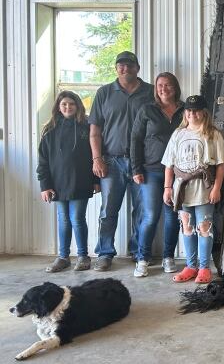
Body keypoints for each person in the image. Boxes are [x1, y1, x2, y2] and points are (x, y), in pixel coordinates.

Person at [89, 51, 155, 271]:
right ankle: (105, 253)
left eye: (129, 65)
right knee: (108, 210)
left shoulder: (151, 92)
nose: (124, 68)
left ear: (137, 68)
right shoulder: (104, 93)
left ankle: (138, 252)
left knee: (142, 210)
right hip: (111, 162)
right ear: (116, 68)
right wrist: (97, 159)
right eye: (120, 65)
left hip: (143, 163)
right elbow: (95, 131)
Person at [162, 95, 224, 284]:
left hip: (204, 187)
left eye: (196, 110)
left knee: (204, 227)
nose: (192, 114)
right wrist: (167, 188)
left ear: (204, 112)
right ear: (185, 113)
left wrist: (216, 188)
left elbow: (221, 164)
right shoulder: (178, 134)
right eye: (189, 110)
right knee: (187, 227)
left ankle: (204, 268)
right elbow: (168, 164)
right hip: (182, 188)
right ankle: (191, 266)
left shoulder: (213, 134)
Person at [129, 72, 185, 277]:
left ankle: (168, 257)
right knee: (150, 216)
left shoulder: (186, 109)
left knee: (172, 217)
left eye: (168, 85)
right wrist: (136, 169)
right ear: (156, 89)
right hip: (151, 171)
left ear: (175, 87)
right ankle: (142, 259)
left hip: (179, 172)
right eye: (160, 85)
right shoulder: (147, 110)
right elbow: (135, 140)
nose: (164, 88)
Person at [37, 91, 99, 273]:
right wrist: (45, 185)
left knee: (77, 218)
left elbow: (95, 156)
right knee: (63, 219)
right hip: (57, 184)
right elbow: (43, 161)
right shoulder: (50, 130)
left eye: (71, 104)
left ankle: (83, 256)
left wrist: (96, 180)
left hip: (81, 182)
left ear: (78, 106)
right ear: (58, 106)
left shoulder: (86, 127)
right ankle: (63, 257)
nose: (68, 107)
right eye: (64, 104)